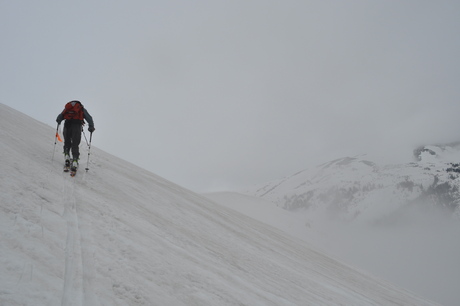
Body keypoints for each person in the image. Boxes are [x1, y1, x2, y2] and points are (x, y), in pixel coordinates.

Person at [56, 100, 95, 169]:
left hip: (67, 125)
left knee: (67, 142)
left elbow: (60, 116)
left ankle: (67, 156)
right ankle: (75, 160)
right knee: (75, 143)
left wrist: (59, 121)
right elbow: (89, 118)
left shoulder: (67, 108)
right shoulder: (81, 108)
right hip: (76, 126)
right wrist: (91, 126)